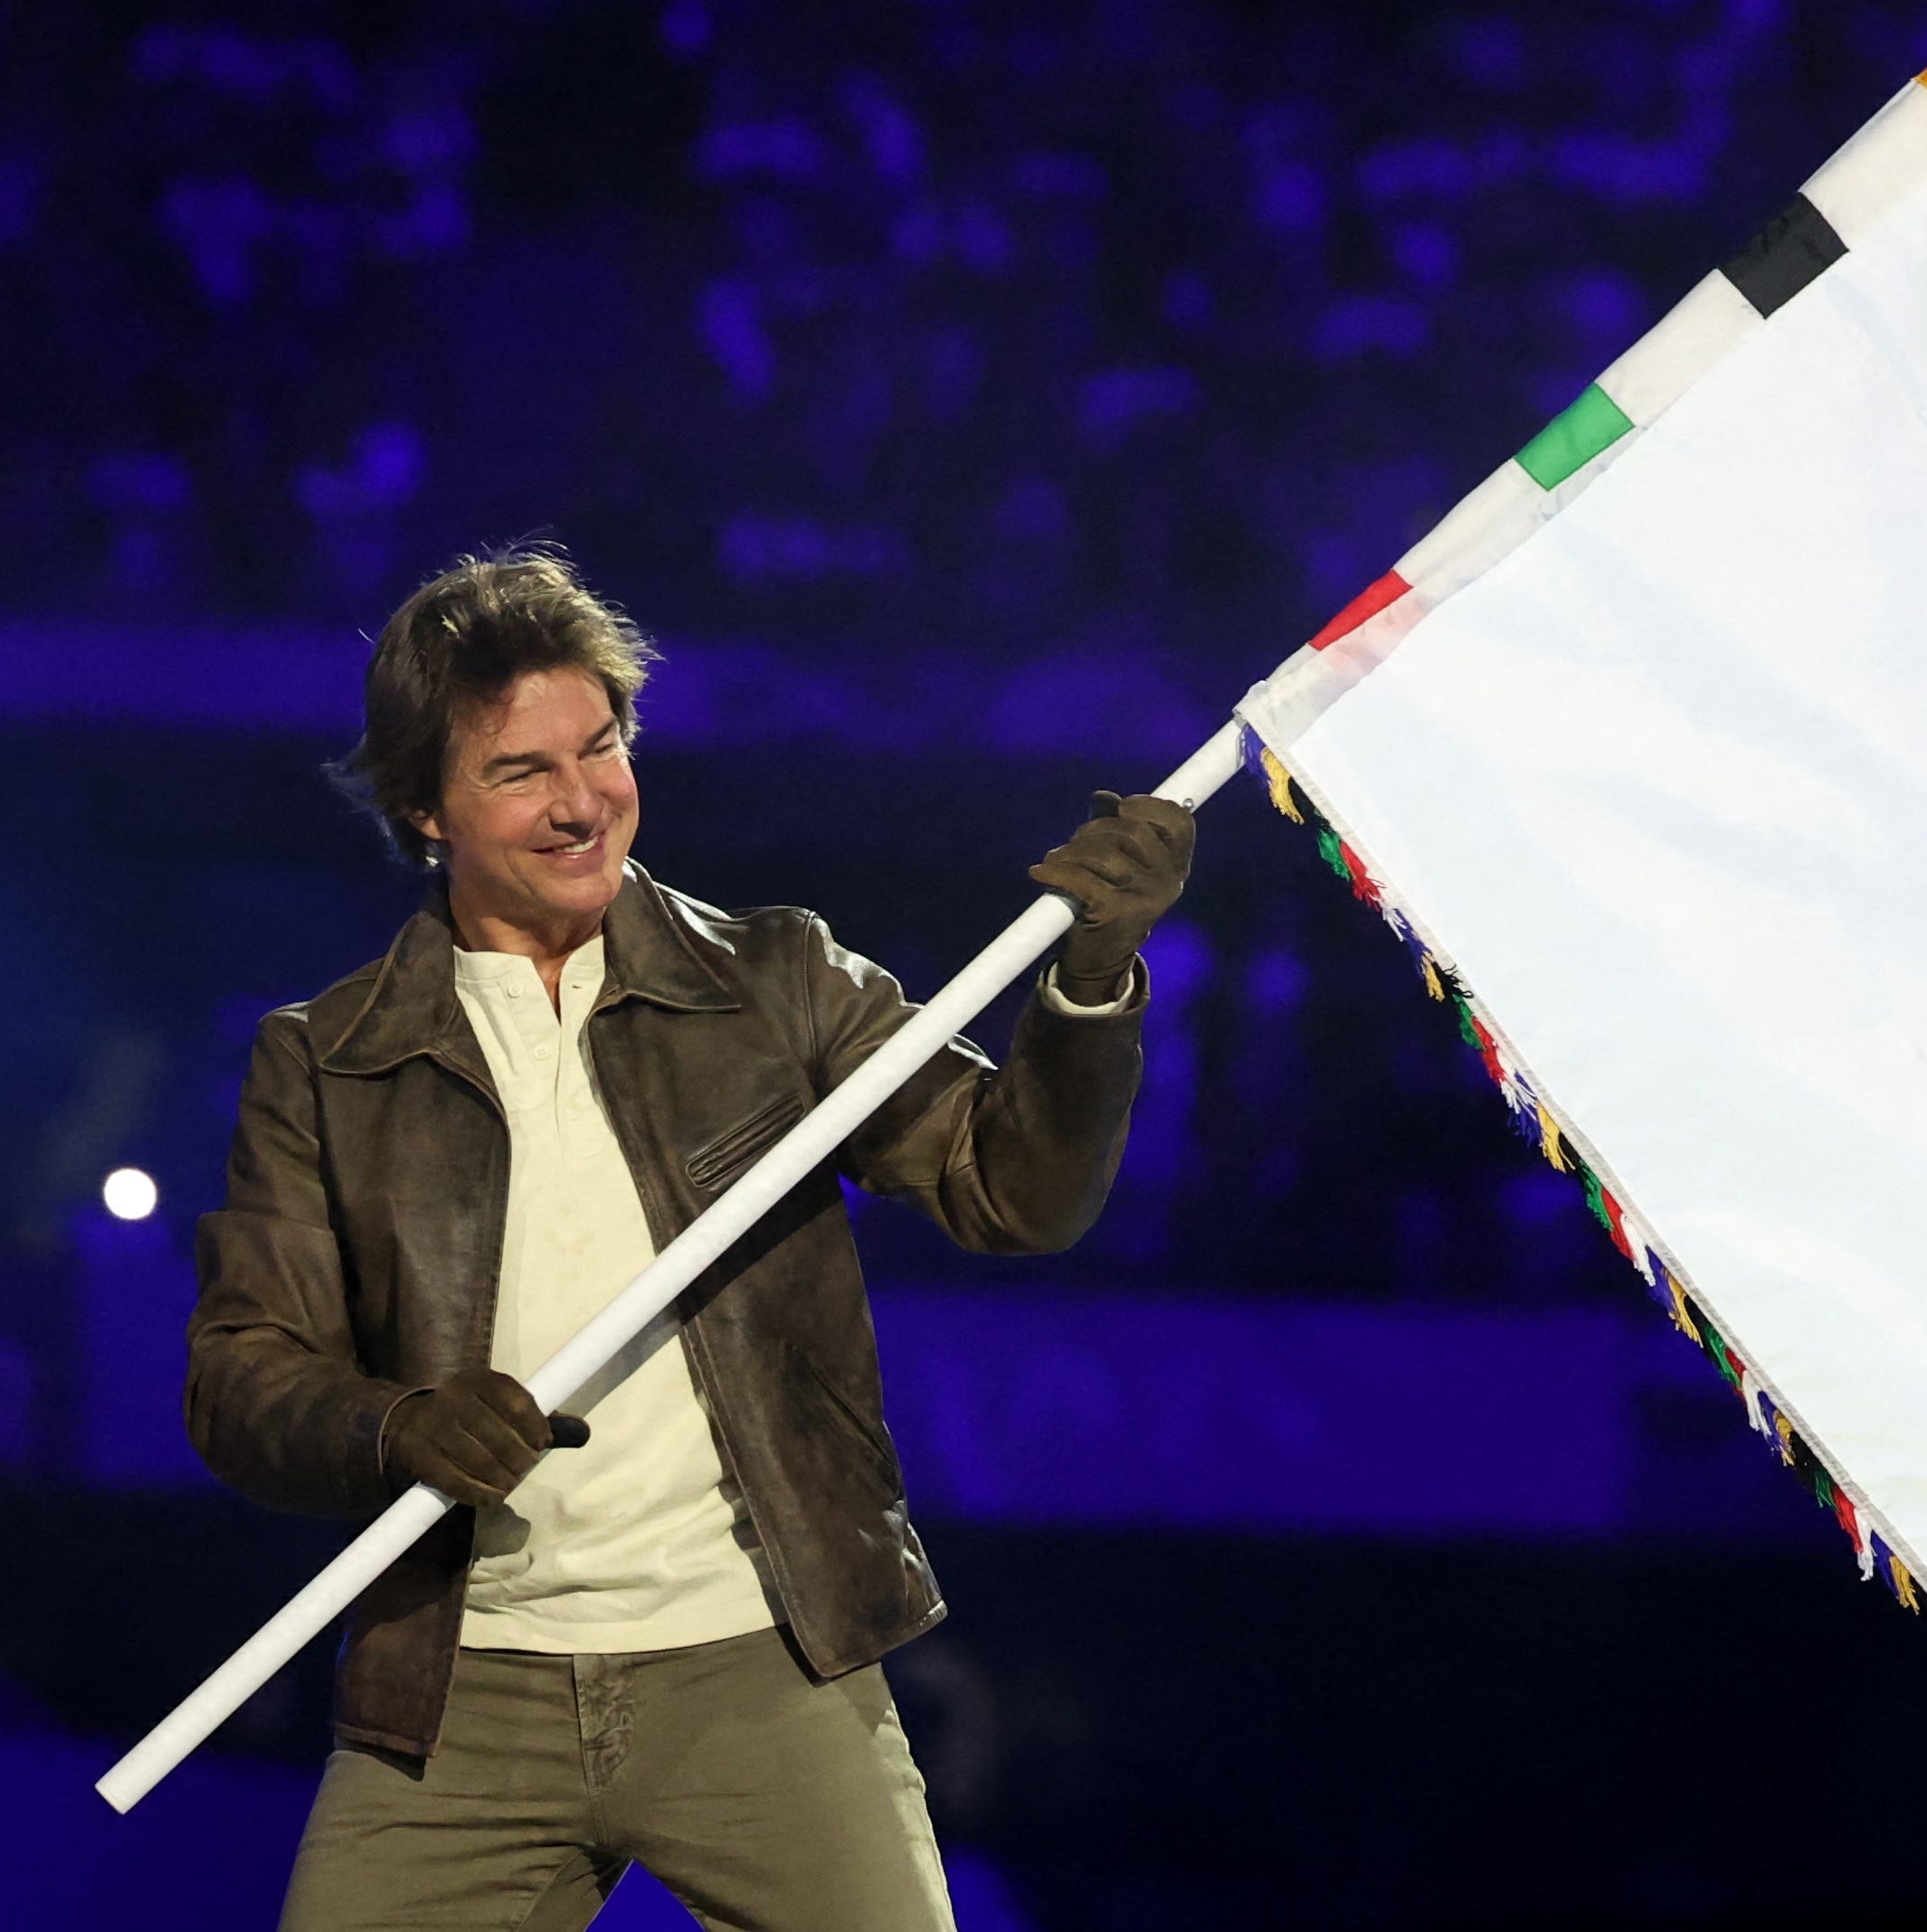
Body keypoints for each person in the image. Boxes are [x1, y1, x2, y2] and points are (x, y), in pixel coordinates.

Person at [185, 548, 1192, 1931]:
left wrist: (1090, 983)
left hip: (762, 1659)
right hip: (463, 1685)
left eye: (601, 746)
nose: (583, 800)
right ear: (426, 807)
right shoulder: (325, 1060)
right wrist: (395, 1425)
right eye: (521, 771)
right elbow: (242, 1378)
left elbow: (1008, 1190)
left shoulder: (777, 982)